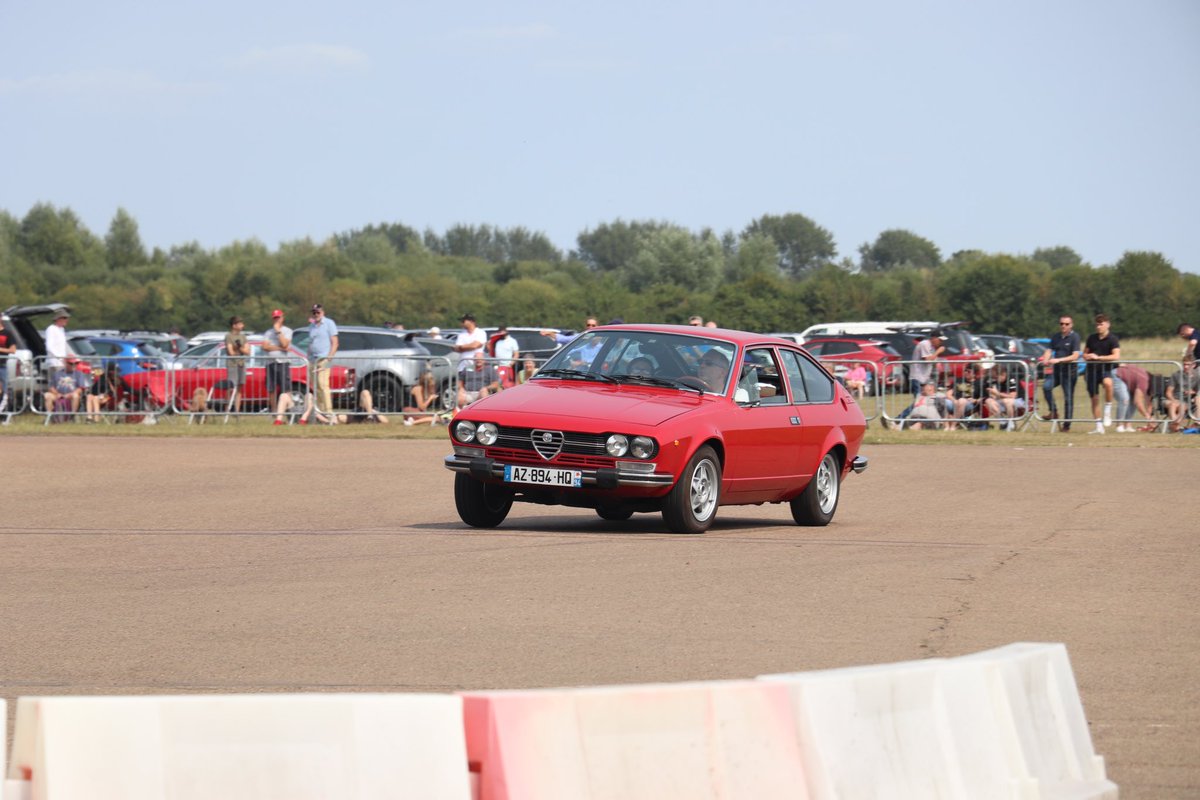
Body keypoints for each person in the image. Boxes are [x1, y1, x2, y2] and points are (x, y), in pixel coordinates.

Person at [1041, 315, 1081, 432]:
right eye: (1061, 324)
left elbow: (1075, 355)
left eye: (1066, 324)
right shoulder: (1056, 337)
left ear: (1071, 325)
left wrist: (1058, 360)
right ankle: (1053, 411)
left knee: (1068, 398)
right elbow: (1049, 350)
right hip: (1057, 371)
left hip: (1069, 372)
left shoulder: (1075, 337)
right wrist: (1046, 359)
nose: (1063, 326)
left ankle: (1066, 425)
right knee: (1046, 387)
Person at [1082, 313, 1120, 434]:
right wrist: (1088, 356)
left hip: (1105, 369)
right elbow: (1084, 354)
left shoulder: (1113, 339)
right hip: (1091, 370)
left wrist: (1099, 357)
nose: (1099, 327)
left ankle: (1108, 410)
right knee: (1094, 398)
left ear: (1107, 325)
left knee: (1108, 383)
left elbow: (1116, 356)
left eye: (1101, 324)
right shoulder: (1091, 338)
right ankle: (1098, 426)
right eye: (1097, 324)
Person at [306, 303, 339, 418]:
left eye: (318, 312)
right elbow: (310, 343)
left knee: (323, 384)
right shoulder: (312, 326)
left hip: (323, 358)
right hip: (312, 360)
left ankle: (329, 412)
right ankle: (320, 411)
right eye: (314, 312)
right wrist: (308, 358)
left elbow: (335, 342)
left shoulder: (329, 323)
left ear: (323, 312)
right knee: (316, 387)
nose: (316, 314)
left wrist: (328, 359)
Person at [262, 309, 293, 407]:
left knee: (285, 388)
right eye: (275, 318)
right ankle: (274, 411)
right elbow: (265, 347)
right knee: (271, 389)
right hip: (270, 363)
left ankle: (288, 411)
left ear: (282, 318)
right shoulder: (268, 332)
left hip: (282, 362)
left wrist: (278, 331)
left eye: (278, 317)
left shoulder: (287, 331)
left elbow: (284, 344)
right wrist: (279, 348)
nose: (276, 320)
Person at [984, 364, 1027, 431]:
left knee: (1008, 401)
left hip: (1019, 401)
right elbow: (995, 397)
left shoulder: (1012, 379)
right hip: (1003, 402)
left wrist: (997, 394)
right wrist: (992, 396)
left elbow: (1013, 396)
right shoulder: (994, 381)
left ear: (1003, 374)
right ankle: (1003, 423)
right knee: (988, 401)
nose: (995, 379)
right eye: (994, 377)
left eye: (996, 377)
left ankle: (1011, 423)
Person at [1113, 364, 1153, 432]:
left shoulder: (1147, 378)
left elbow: (1148, 403)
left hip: (1126, 379)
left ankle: (1127, 425)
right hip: (1116, 376)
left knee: (1132, 401)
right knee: (1124, 399)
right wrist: (1148, 417)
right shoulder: (1144, 381)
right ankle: (1119, 425)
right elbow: (1138, 402)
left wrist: (1150, 417)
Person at [224, 315, 251, 414]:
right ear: (234, 325)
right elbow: (231, 352)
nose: (242, 325)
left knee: (240, 387)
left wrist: (239, 348)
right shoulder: (229, 336)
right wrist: (240, 349)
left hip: (241, 364)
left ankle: (237, 411)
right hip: (232, 364)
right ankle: (227, 409)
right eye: (240, 324)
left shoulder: (243, 337)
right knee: (231, 387)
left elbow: (247, 351)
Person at [43, 309, 70, 383]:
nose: (66, 320)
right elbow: (49, 346)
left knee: (63, 383)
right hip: (54, 362)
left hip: (62, 363)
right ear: (58, 319)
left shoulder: (62, 330)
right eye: (64, 318)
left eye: (67, 318)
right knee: (56, 383)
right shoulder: (51, 329)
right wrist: (59, 357)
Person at [0, 316, 15, 419]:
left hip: (2, 365)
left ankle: (2, 412)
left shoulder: (7, 333)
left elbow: (13, 350)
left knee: (3, 390)